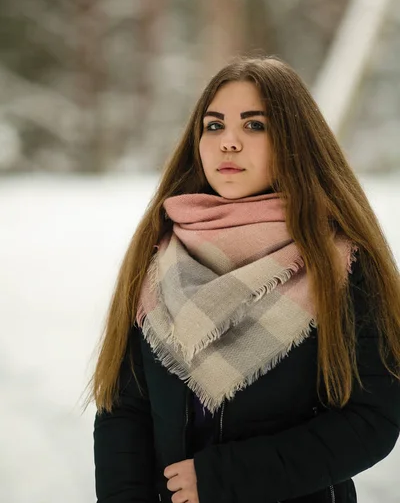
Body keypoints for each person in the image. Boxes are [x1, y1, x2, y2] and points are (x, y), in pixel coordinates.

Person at [90, 56, 400, 503]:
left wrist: (225, 478)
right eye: (213, 126)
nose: (228, 143)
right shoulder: (159, 254)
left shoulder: (342, 262)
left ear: (295, 140)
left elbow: (372, 420)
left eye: (255, 126)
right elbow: (124, 408)